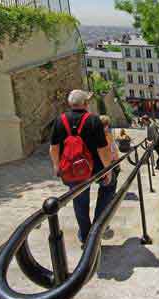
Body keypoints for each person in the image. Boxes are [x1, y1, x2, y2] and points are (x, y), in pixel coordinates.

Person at [50, 89, 113, 244]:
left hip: (72, 170)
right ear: (85, 104)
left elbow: (54, 148)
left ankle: (86, 235)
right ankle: (98, 226)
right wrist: (108, 170)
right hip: (96, 169)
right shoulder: (93, 120)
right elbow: (103, 149)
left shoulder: (60, 120)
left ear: (70, 104)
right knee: (109, 187)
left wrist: (57, 167)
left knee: (79, 201)